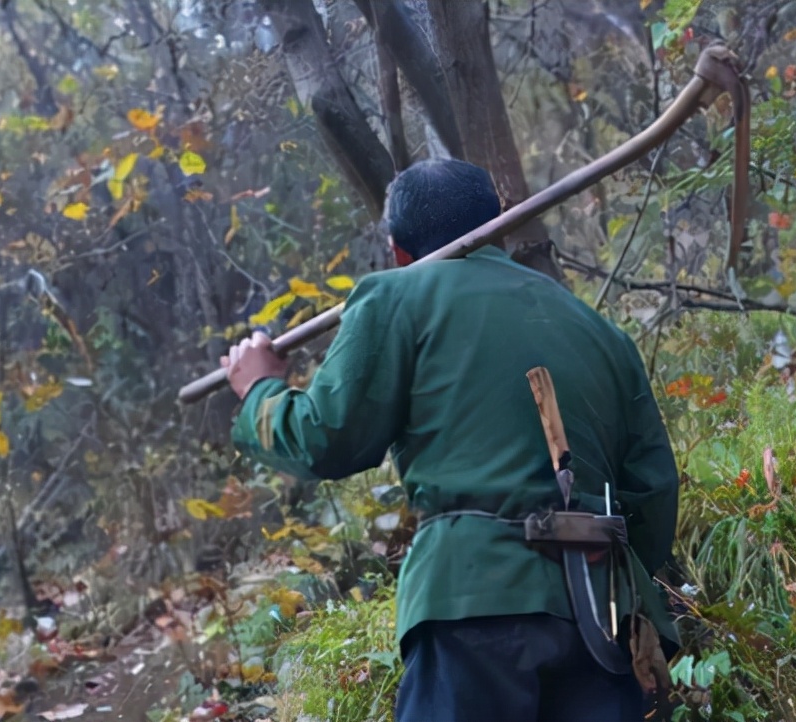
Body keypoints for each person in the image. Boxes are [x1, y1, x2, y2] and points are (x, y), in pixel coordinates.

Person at [221, 158, 680, 722]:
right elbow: (654, 491)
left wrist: (260, 389)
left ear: (397, 251)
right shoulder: (600, 331)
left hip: (473, 602)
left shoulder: (396, 297)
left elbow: (326, 439)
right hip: (602, 615)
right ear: (501, 225)